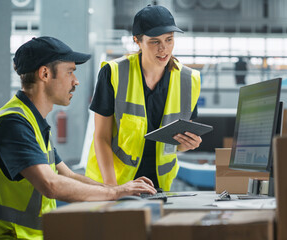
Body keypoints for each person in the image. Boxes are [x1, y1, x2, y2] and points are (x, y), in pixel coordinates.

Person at [0, 36, 156, 239]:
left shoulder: (32, 121)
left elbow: (66, 176)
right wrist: (115, 193)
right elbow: (51, 184)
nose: (76, 81)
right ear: (45, 73)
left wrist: (121, 190)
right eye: (70, 72)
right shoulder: (13, 123)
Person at [85, 5, 202, 191]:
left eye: (169, 40)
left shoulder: (189, 81)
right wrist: (113, 189)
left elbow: (176, 144)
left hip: (160, 187)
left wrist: (187, 144)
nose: (164, 49)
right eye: (154, 41)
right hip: (115, 182)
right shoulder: (114, 73)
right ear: (137, 41)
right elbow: (101, 137)